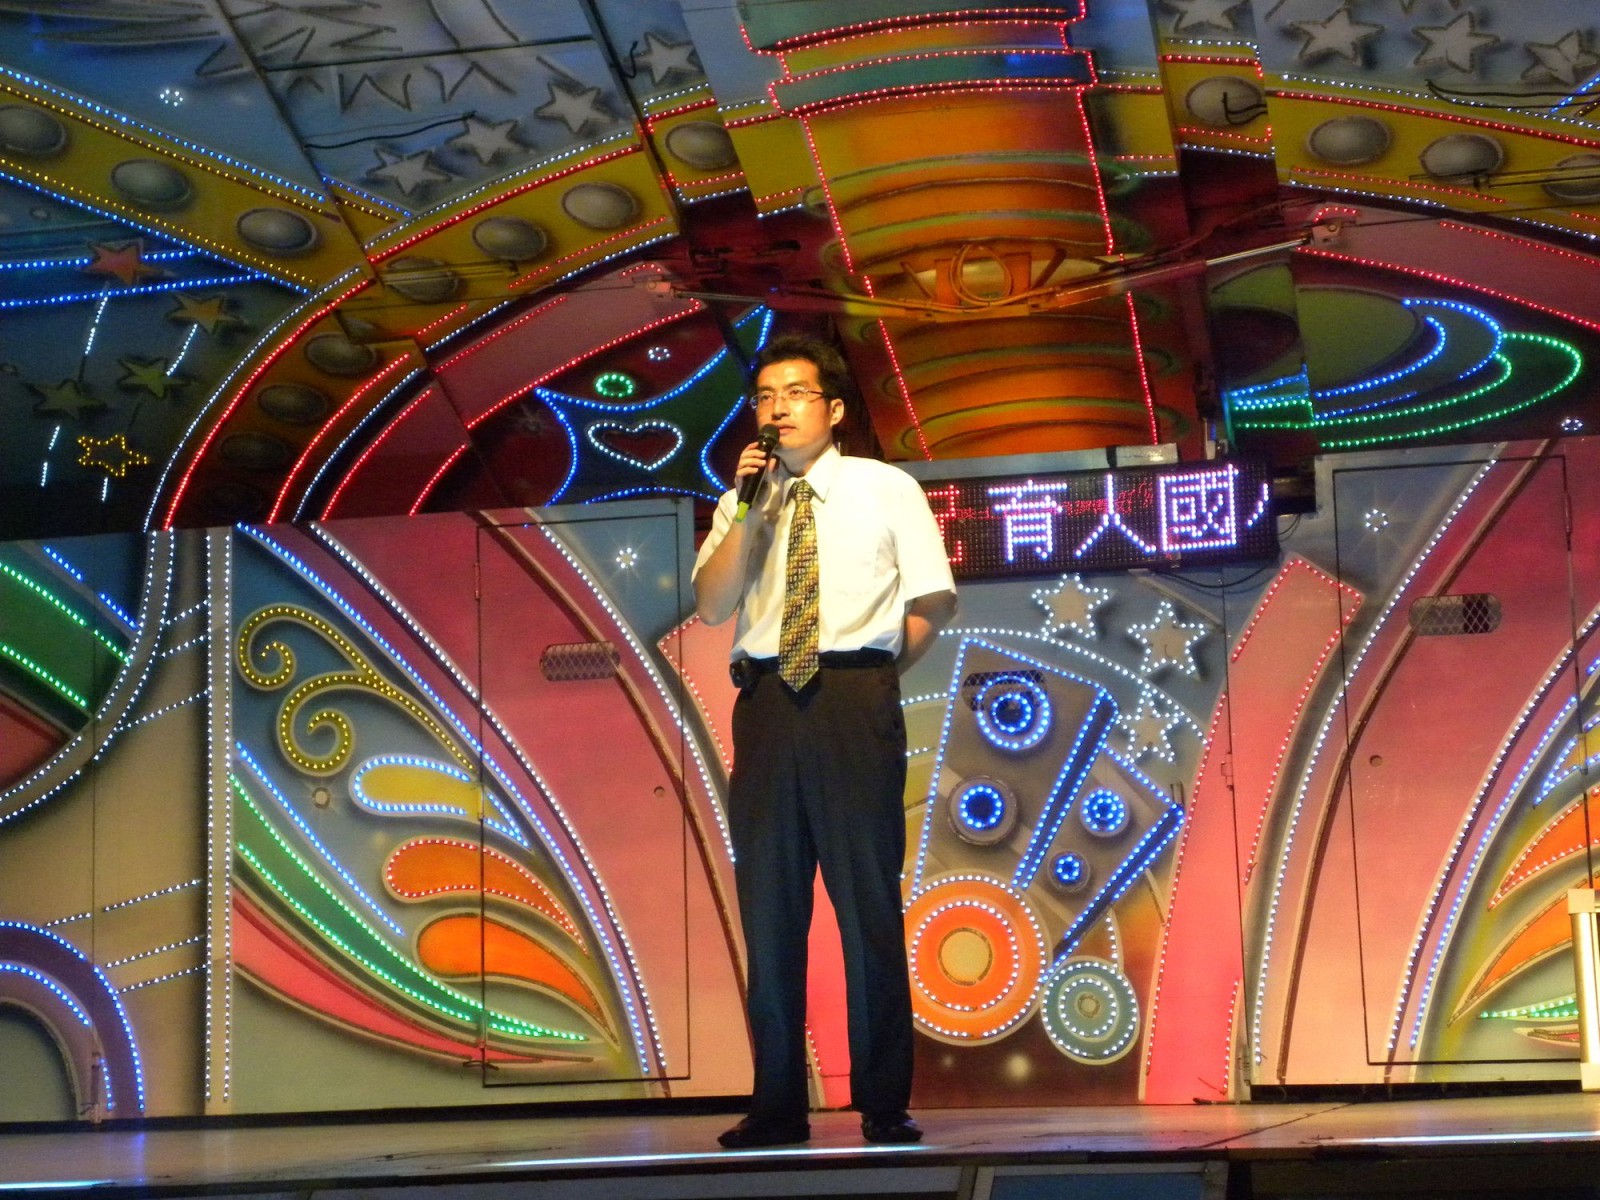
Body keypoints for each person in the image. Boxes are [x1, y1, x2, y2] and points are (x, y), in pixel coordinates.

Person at [692, 333, 958, 1149]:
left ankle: (882, 1100)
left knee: (865, 901)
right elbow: (713, 605)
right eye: (765, 397)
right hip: (768, 703)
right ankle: (777, 1104)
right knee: (771, 910)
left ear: (834, 408)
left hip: (852, 695)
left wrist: (872, 674)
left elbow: (932, 600)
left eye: (795, 393)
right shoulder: (741, 502)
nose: (777, 409)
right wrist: (747, 509)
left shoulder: (886, 488)